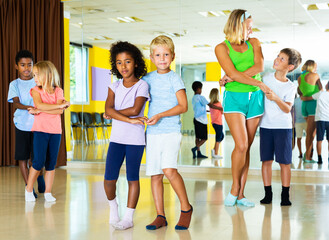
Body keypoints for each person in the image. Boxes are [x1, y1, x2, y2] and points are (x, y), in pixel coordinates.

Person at [214, 9, 271, 207]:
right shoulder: (222, 48)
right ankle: (234, 188)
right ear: (238, 25)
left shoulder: (254, 43)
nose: (251, 29)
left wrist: (234, 76)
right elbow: (234, 74)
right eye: (249, 25)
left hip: (254, 99)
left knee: (246, 148)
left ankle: (241, 195)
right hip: (234, 98)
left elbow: (259, 67)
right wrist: (256, 83)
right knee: (241, 144)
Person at [143, 35, 192, 230]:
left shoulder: (174, 78)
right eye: (158, 55)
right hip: (152, 132)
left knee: (169, 170)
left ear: (172, 56)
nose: (162, 58)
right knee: (155, 174)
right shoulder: (147, 79)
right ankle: (160, 216)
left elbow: (183, 106)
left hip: (171, 131)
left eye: (166, 54)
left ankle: (186, 208)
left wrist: (161, 115)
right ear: (151, 57)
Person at [103, 41, 149, 230]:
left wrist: (114, 113)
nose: (123, 66)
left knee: (132, 178)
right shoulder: (114, 86)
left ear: (136, 63)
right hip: (117, 139)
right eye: (119, 62)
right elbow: (107, 109)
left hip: (135, 140)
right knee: (108, 179)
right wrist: (129, 120)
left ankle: (128, 218)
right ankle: (114, 208)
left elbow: (136, 108)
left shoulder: (143, 85)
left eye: (128, 61)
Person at [259, 48, 302, 206]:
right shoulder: (265, 78)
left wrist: (276, 98)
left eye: (282, 59)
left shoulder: (290, 87)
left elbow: (287, 109)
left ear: (290, 67)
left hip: (283, 128)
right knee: (266, 161)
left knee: (284, 162)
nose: (277, 59)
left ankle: (285, 196)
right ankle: (268, 194)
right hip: (265, 126)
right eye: (277, 56)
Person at [25, 61, 69, 202]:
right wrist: (52, 106)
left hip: (55, 132)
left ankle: (48, 192)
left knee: (51, 163)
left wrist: (39, 110)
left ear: (48, 74)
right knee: (38, 162)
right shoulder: (35, 90)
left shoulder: (58, 91)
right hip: (40, 131)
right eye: (34, 75)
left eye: (37, 74)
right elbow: (39, 104)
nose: (35, 78)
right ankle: (28, 190)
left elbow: (59, 110)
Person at [7, 50, 45, 198]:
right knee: (23, 158)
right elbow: (15, 103)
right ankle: (29, 188)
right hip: (21, 125)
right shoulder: (14, 84)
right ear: (17, 66)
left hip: (38, 125)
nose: (26, 68)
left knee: (37, 158)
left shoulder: (38, 81)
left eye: (29, 64)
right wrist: (29, 108)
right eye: (23, 65)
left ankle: (39, 177)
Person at [298, 60, 322, 163]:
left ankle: (308, 155)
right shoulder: (315, 75)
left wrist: (305, 97)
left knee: (310, 132)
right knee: (310, 133)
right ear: (311, 66)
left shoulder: (300, 78)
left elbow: (299, 92)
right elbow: (321, 91)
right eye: (315, 66)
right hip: (313, 106)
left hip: (305, 106)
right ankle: (307, 157)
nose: (316, 68)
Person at [191, 82, 223, 159]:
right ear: (198, 89)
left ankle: (198, 152)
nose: (201, 90)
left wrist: (208, 111)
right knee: (204, 138)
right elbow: (211, 105)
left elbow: (199, 108)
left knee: (197, 137)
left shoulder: (193, 98)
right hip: (202, 121)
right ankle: (195, 148)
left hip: (196, 119)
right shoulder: (201, 97)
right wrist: (220, 108)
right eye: (201, 89)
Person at [301, 81, 329, 164]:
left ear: (327, 85)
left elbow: (308, 98)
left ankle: (320, 158)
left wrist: (302, 97)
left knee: (319, 140)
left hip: (320, 119)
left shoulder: (320, 94)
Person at [209, 88, 224, 159]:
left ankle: (214, 149)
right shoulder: (218, 104)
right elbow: (222, 112)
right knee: (218, 138)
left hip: (214, 123)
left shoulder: (211, 104)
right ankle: (216, 153)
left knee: (221, 136)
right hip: (218, 123)